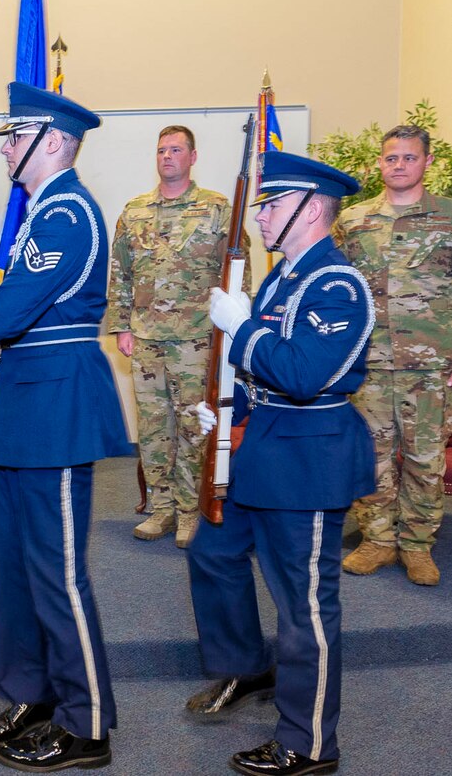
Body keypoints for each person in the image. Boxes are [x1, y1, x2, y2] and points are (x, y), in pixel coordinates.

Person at [187, 152, 374, 776]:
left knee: (305, 606)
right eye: (263, 203)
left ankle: (309, 741)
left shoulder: (338, 284)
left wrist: (241, 329)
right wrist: (227, 407)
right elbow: (259, 374)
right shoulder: (281, 278)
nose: (261, 216)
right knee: (212, 553)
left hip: (308, 458)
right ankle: (245, 668)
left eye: (272, 204)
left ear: (312, 207)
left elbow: (301, 373)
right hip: (261, 441)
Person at [0, 82, 131, 772]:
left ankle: (86, 721)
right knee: (9, 562)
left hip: (55, 406)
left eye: (16, 135)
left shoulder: (65, 213)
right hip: (25, 405)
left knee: (57, 571)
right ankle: (32, 694)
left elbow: (5, 311)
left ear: (55, 141)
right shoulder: (42, 212)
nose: (5, 146)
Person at [109, 125, 237, 548]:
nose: (167, 156)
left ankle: (188, 512)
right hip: (146, 339)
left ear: (192, 157)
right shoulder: (135, 210)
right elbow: (120, 273)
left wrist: (234, 330)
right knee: (152, 428)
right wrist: (122, 326)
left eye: (176, 150)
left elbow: (236, 271)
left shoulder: (217, 208)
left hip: (196, 341)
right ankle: (160, 510)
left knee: (191, 427)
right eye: (161, 150)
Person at [335, 124, 452, 586]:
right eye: (390, 158)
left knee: (425, 460)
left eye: (408, 157)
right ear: (379, 164)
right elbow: (337, 291)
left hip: (431, 368)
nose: (398, 165)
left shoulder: (447, 217)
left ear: (426, 162)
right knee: (372, 456)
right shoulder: (354, 220)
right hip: (370, 364)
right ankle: (379, 540)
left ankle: (418, 546)